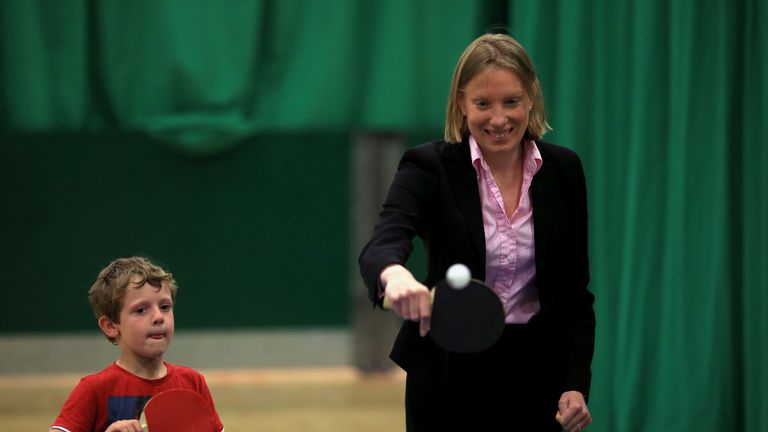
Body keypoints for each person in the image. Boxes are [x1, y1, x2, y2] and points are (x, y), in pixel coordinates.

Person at [359, 33, 595, 431]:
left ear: (531, 99)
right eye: (483, 103)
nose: (499, 119)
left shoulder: (564, 171)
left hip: (536, 373)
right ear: (461, 104)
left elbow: (574, 294)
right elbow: (384, 240)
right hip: (448, 371)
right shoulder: (428, 166)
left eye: (512, 102)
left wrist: (574, 384)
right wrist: (394, 275)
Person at [50, 256, 224, 432]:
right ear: (110, 326)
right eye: (141, 310)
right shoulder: (94, 389)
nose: (158, 317)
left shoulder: (192, 383)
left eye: (165, 307)